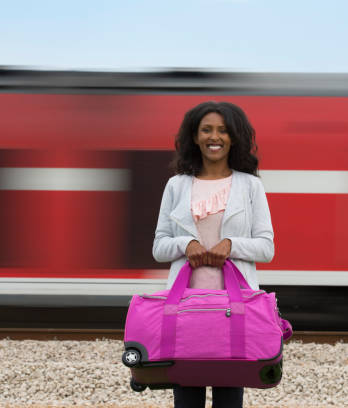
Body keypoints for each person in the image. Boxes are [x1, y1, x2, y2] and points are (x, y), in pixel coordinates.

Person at [152, 101, 275, 408]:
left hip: (233, 308)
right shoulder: (176, 186)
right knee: (186, 399)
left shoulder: (250, 186)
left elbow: (266, 247)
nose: (214, 136)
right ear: (194, 137)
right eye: (206, 130)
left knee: (229, 400)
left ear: (233, 137)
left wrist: (231, 245)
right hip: (185, 307)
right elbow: (159, 248)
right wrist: (186, 245)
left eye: (222, 130)